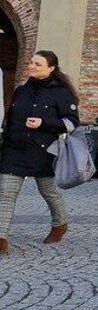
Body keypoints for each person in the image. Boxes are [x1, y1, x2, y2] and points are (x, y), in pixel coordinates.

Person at [0, 51, 79, 255]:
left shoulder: (61, 93)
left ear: (51, 68)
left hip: (43, 152)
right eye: (31, 62)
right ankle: (1, 239)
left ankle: (60, 224)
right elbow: (9, 121)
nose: (32, 66)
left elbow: (71, 123)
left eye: (38, 64)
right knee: (5, 194)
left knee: (49, 192)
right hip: (14, 150)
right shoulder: (21, 90)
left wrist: (45, 123)